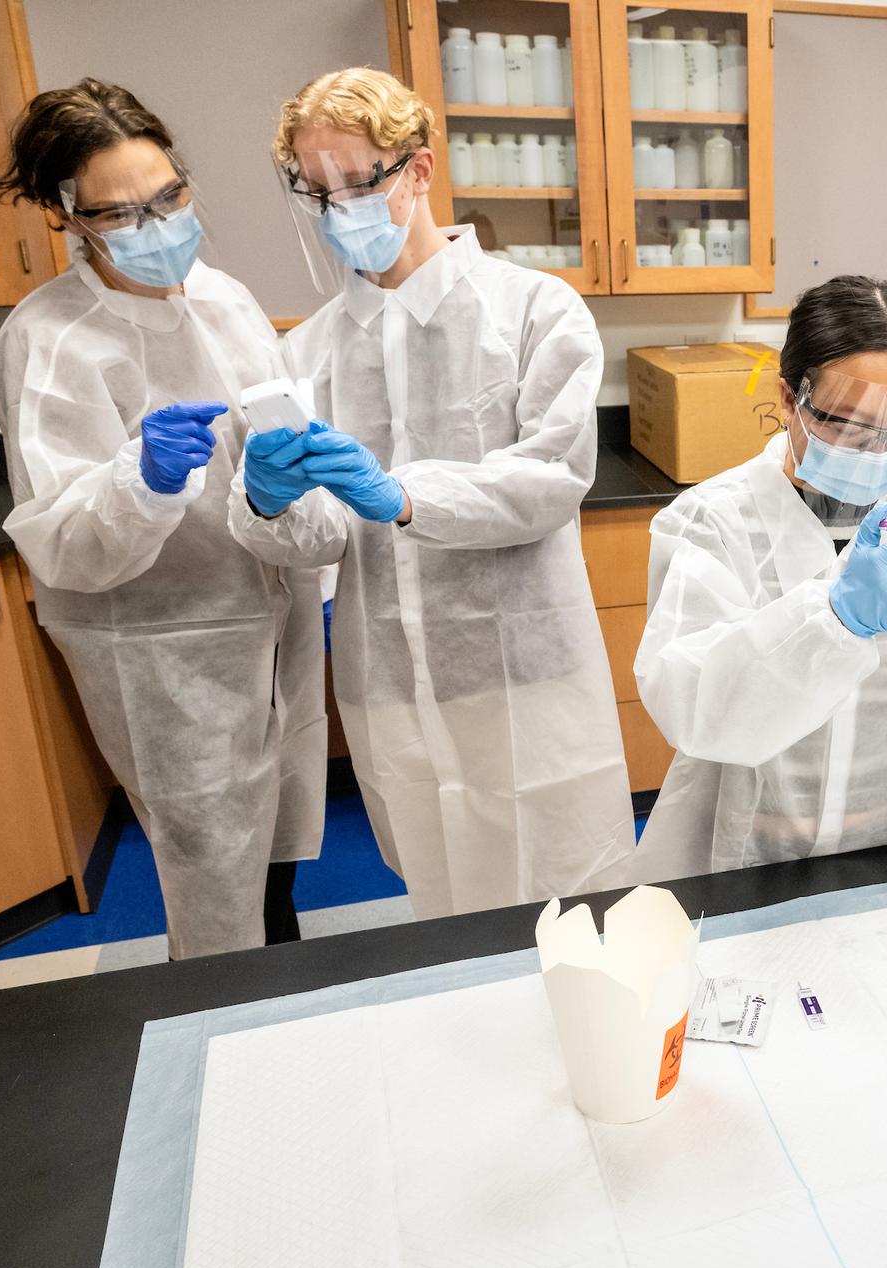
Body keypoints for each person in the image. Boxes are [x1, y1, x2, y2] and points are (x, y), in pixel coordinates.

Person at [230, 68, 634, 916]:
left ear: (417, 170)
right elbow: (317, 540)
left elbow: (551, 479)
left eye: (358, 180)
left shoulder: (534, 311)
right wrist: (267, 502)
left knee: (566, 895)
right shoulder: (306, 353)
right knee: (443, 894)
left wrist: (404, 498)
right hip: (394, 682)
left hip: (527, 670)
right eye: (316, 189)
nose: (340, 208)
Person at [0, 79, 326, 958]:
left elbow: (275, 431)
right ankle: (222, 1038)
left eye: (169, 196)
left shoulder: (225, 298)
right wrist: (139, 481)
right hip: (160, 648)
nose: (159, 224)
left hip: (271, 618)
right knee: (212, 869)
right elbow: (62, 542)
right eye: (122, 213)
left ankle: (285, 1007)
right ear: (69, 216)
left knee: (277, 850)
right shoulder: (49, 339)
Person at [633, 275, 887, 897]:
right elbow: (694, 706)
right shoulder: (712, 525)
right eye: (852, 428)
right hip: (737, 859)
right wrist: (831, 620)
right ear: (788, 397)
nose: (878, 452)